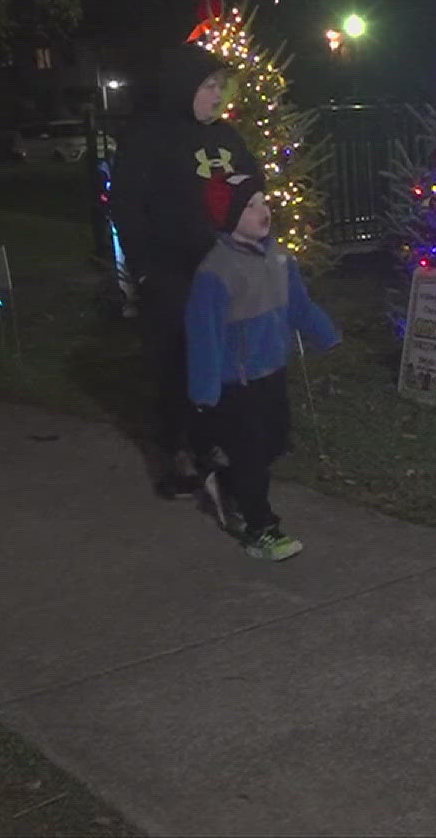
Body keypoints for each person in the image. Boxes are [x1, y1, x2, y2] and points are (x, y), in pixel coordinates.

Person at [110, 45, 261, 497]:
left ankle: (216, 441)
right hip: (173, 273)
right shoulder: (149, 137)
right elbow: (128, 208)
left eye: (221, 85)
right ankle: (176, 450)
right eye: (208, 85)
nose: (217, 95)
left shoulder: (228, 139)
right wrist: (146, 270)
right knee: (177, 364)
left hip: (227, 272)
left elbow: (252, 190)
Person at [184, 172, 339, 561]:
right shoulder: (216, 272)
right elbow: (204, 334)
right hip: (237, 382)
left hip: (272, 369)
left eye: (263, 203)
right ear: (230, 216)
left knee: (273, 443)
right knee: (252, 454)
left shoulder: (280, 258)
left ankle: (225, 479)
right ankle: (260, 528)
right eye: (250, 207)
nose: (262, 212)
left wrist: (325, 333)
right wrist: (205, 391)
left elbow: (299, 305)